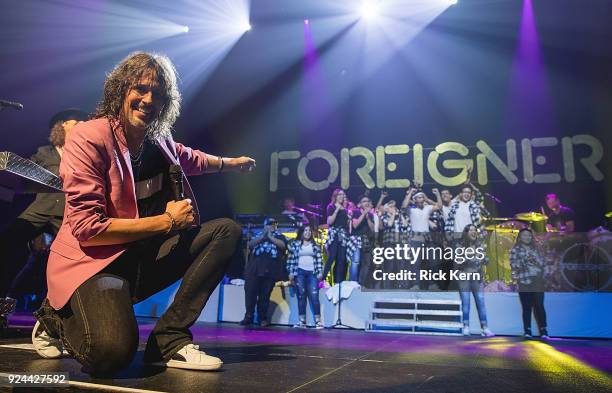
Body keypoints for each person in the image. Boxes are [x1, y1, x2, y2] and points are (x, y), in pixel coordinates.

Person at [31, 52, 255, 375]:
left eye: (158, 94)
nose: (149, 99)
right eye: (140, 89)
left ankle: (169, 339)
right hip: (92, 263)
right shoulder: (88, 137)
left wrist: (229, 164)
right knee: (109, 355)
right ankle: (53, 317)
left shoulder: (157, 140)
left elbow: (188, 158)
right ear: (121, 89)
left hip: (138, 258)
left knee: (225, 231)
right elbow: (88, 229)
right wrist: (168, 221)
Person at [0, 109, 88, 332]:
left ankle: (64, 315)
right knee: (7, 245)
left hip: (67, 214)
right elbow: (22, 178)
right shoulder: (44, 152)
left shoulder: (84, 156)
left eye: (83, 122)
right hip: (40, 209)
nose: (80, 124)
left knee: (77, 257)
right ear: (61, 127)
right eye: (74, 122)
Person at [241, 217, 287, 327]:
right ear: (264, 225)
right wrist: (263, 236)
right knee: (250, 293)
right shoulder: (258, 235)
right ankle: (248, 316)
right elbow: (251, 245)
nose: (271, 226)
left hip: (270, 269)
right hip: (254, 268)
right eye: (269, 224)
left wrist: (270, 237)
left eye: (273, 224)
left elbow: (283, 246)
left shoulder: (280, 236)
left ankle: (262, 318)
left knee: (264, 295)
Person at [509, 228, 549, 338]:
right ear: (520, 237)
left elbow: (543, 263)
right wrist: (525, 259)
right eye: (524, 235)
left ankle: (544, 331)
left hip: (537, 281)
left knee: (539, 306)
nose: (527, 237)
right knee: (526, 307)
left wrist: (535, 260)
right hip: (524, 281)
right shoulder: (515, 250)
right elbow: (514, 265)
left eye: (529, 235)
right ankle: (527, 331)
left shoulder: (537, 249)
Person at [457, 225, 494, 337]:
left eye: (474, 230)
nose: (473, 232)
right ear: (466, 232)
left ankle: (485, 328)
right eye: (471, 230)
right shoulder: (460, 245)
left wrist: (482, 257)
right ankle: (466, 326)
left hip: (477, 277)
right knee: (466, 302)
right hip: (464, 277)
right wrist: (469, 256)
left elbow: (487, 261)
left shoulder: (480, 245)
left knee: (480, 301)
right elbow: (458, 261)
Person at [286, 224, 323, 328]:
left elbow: (320, 260)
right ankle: (302, 321)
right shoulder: (296, 245)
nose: (308, 232)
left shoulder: (315, 246)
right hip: (299, 273)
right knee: (301, 296)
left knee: (314, 297)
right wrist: (290, 272)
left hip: (312, 273)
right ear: (301, 232)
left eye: (309, 231)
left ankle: (318, 321)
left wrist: (320, 272)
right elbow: (290, 259)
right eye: (305, 230)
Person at [322, 188, 351, 284]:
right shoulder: (331, 206)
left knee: (341, 259)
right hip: (334, 234)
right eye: (339, 194)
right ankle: (322, 278)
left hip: (343, 235)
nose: (341, 196)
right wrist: (337, 209)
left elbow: (346, 225)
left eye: (343, 194)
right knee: (332, 256)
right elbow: (329, 221)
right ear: (335, 196)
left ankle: (338, 282)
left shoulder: (345, 209)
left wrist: (349, 219)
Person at [350, 195, 377, 282]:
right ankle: (353, 282)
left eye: (368, 201)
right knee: (356, 262)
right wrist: (364, 213)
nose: (367, 203)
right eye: (364, 201)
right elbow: (355, 225)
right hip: (357, 239)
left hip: (367, 240)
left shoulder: (370, 215)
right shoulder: (356, 212)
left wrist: (368, 217)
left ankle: (362, 283)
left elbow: (373, 229)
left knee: (366, 263)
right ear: (360, 204)